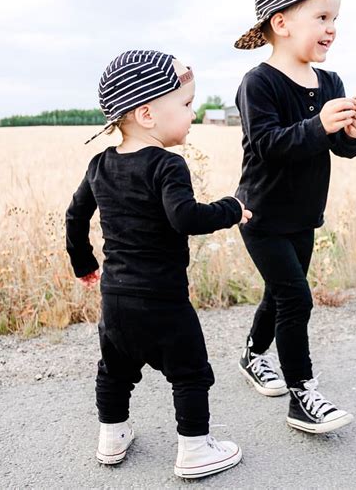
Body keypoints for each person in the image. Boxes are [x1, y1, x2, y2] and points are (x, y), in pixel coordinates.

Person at [65, 50, 251, 478]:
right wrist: (230, 208)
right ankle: (195, 449)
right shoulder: (168, 165)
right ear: (147, 114)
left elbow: (75, 217)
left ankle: (112, 437)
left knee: (114, 371)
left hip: (115, 299)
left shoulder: (100, 165)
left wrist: (83, 263)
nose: (194, 112)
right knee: (190, 373)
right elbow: (184, 217)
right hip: (164, 300)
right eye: (185, 105)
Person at [233, 0, 356, 433]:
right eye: (321, 17)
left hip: (303, 215)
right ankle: (302, 394)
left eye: (335, 20)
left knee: (279, 294)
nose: (331, 29)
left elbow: (339, 148)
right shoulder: (259, 84)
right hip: (261, 214)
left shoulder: (330, 83)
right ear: (281, 22)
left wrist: (352, 133)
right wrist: (319, 126)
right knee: (297, 299)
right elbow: (270, 146)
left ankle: (253, 355)